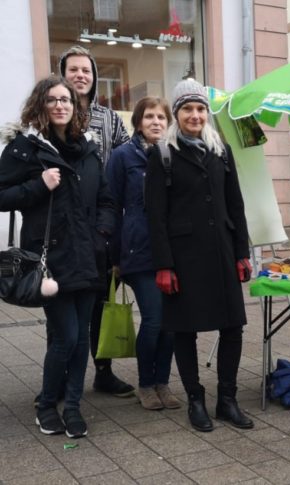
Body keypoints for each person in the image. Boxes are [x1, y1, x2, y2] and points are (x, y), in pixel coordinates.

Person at [0, 76, 116, 437]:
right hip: (51, 261)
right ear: (41, 105)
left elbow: (107, 201)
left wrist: (102, 235)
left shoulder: (88, 149)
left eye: (66, 100)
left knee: (81, 337)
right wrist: (39, 185)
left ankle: (75, 406)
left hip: (88, 257)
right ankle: (47, 404)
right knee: (66, 336)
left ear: (75, 106)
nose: (61, 105)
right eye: (52, 100)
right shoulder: (25, 148)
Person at [145, 78, 253, 432]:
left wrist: (242, 252)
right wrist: (163, 264)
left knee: (233, 325)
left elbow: (235, 204)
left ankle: (227, 400)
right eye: (188, 109)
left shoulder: (220, 149)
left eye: (201, 108)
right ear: (177, 114)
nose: (195, 115)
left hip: (222, 250)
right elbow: (155, 215)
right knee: (185, 330)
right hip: (184, 256)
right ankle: (195, 399)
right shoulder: (162, 154)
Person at [59, 45, 133, 398]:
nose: (80, 76)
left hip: (102, 222)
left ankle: (102, 372)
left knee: (101, 302)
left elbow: (127, 159)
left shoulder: (110, 118)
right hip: (62, 225)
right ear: (63, 75)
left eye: (86, 70)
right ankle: (57, 376)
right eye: (73, 70)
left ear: (93, 76)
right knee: (61, 303)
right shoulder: (51, 115)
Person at [107, 97, 181, 411]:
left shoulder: (174, 155)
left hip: (174, 252)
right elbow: (110, 205)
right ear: (138, 122)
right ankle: (146, 384)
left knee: (171, 323)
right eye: (149, 116)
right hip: (137, 250)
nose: (155, 122)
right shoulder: (123, 156)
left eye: (161, 117)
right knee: (154, 319)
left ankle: (163, 382)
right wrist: (113, 256)